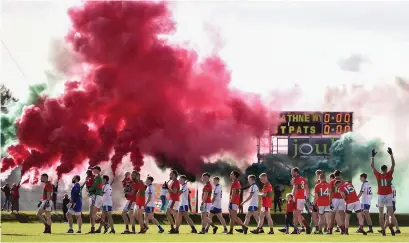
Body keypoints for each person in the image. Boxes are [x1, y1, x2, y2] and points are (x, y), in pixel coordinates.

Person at [371, 148, 396, 236]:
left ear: (381, 170)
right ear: (386, 169)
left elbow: (372, 167)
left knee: (381, 214)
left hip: (381, 196)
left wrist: (372, 157)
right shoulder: (389, 174)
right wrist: (391, 155)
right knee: (391, 214)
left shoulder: (378, 175)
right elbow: (393, 165)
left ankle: (383, 231)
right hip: (388, 195)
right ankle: (390, 227)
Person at [291, 167, 311, 234]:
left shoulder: (295, 179)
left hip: (297, 198)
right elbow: (307, 188)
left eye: (293, 172)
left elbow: (295, 189)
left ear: (296, 172)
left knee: (296, 214)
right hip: (302, 198)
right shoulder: (302, 179)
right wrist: (307, 197)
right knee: (298, 214)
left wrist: (292, 197)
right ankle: (306, 227)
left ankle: (297, 229)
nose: (292, 173)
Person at [328, 170, 345, 234]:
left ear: (334, 175)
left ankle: (330, 230)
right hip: (342, 199)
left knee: (332, 216)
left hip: (334, 199)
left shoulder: (332, 182)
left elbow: (330, 192)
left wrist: (330, 201)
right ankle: (343, 230)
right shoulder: (343, 181)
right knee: (342, 216)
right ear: (340, 175)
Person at [88, 166, 103, 234]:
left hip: (97, 196)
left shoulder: (98, 178)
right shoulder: (95, 177)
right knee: (91, 214)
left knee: (93, 214)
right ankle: (105, 224)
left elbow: (94, 186)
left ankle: (92, 229)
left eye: (94, 169)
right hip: (94, 196)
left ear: (98, 170)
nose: (93, 171)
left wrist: (89, 189)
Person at [166, 170, 180, 234]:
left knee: (168, 213)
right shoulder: (172, 182)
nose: (169, 175)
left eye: (171, 174)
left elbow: (174, 191)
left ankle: (173, 228)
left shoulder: (176, 182)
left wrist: (168, 188)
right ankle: (175, 229)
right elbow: (170, 192)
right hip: (173, 199)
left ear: (174, 175)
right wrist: (167, 188)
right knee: (175, 215)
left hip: (174, 200)